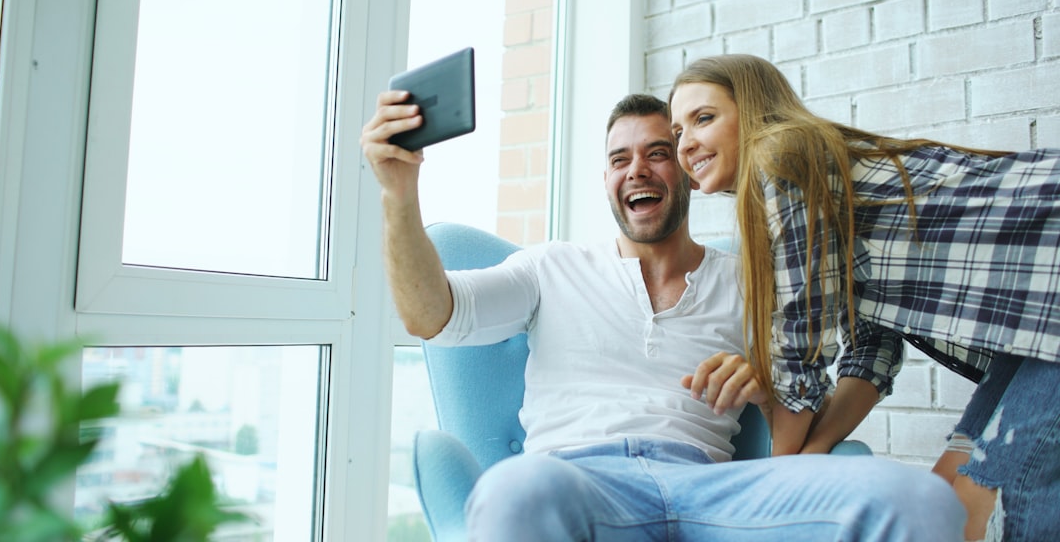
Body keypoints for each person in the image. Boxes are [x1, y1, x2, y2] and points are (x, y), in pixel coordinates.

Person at [362, 88, 965, 541]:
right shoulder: (548, 268)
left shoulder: (756, 283)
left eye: (658, 152)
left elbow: (801, 413)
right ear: (606, 179)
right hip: (577, 481)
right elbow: (430, 315)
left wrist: (764, 384)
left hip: (714, 490)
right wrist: (398, 195)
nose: (638, 170)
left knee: (919, 500)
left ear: (689, 170)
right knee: (515, 488)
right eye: (620, 159)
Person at [669, 53, 1060, 542]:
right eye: (678, 131)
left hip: (1052, 274)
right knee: (942, 505)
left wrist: (775, 483)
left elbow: (800, 339)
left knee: (998, 508)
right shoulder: (809, 179)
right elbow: (873, 347)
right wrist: (811, 456)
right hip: (1036, 321)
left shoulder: (781, 153)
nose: (686, 143)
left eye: (703, 118)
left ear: (752, 112)